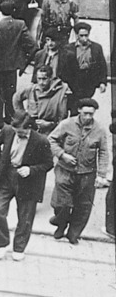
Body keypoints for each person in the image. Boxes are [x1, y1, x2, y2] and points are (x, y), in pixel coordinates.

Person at [0, 112, 53, 261]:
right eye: (16, 131)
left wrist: (31, 170)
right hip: (7, 176)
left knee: (25, 218)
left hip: (28, 182)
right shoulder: (8, 130)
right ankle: (2, 243)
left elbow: (48, 163)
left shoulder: (41, 140)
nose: (18, 134)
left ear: (30, 128)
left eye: (22, 132)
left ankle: (19, 248)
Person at [47, 98, 111, 244]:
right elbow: (51, 140)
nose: (88, 117)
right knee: (62, 203)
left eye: (91, 114)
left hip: (87, 174)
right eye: (85, 113)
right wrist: (63, 155)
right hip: (65, 170)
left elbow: (103, 152)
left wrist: (101, 174)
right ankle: (60, 223)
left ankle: (73, 234)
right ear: (79, 111)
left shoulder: (99, 130)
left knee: (83, 207)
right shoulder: (66, 124)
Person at [0, 2, 36, 128]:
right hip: (12, 65)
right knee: (10, 92)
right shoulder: (20, 24)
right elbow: (32, 45)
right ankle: (10, 116)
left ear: (0, 11)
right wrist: (25, 61)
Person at [58, 22, 108, 114]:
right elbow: (62, 68)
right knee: (74, 108)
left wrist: (102, 82)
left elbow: (102, 66)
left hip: (89, 82)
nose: (84, 38)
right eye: (81, 35)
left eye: (86, 35)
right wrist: (64, 83)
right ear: (77, 35)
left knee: (86, 106)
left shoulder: (96, 48)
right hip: (74, 82)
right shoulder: (68, 48)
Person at [12, 64, 69, 135]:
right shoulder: (31, 89)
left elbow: (63, 115)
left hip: (50, 128)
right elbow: (16, 98)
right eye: (39, 79)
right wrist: (23, 115)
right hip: (32, 127)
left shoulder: (60, 91)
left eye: (44, 79)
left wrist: (51, 124)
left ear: (50, 78)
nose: (41, 82)